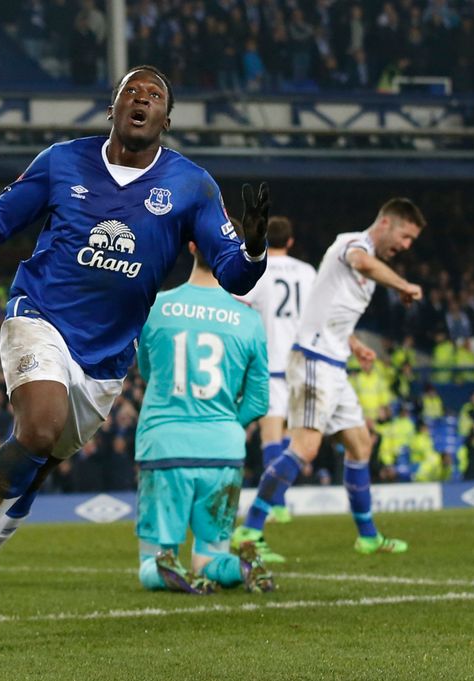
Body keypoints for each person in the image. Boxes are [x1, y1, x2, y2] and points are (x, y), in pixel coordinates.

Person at [0, 64, 270, 640]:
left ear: (168, 118)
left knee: (38, 466)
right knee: (38, 429)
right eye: (130, 92)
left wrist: (257, 244)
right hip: (38, 316)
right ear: (113, 109)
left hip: (105, 359)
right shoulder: (62, 160)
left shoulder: (193, 185)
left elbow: (236, 276)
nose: (141, 100)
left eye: (154, 96)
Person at [233, 198, 425, 559]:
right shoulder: (353, 245)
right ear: (385, 223)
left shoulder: (361, 261)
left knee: (360, 444)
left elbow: (326, 307)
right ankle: (250, 530)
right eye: (405, 235)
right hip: (313, 361)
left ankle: (368, 536)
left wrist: (353, 344)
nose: (406, 245)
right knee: (304, 447)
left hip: (334, 362)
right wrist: (402, 285)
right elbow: (360, 261)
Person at [135, 243, 272, 594]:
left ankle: (166, 569)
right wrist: (224, 423)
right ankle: (242, 566)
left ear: (192, 246)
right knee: (210, 560)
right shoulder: (249, 319)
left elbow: (148, 372)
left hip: (165, 446)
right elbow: (258, 401)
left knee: (153, 561)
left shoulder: (158, 308)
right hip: (223, 450)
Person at [237, 216, 315, 524]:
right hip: (301, 365)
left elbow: (240, 305)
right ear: (292, 241)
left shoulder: (259, 270)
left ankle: (275, 504)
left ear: (267, 240)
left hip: (269, 364)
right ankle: (278, 500)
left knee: (270, 436)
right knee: (293, 438)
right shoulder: (308, 272)